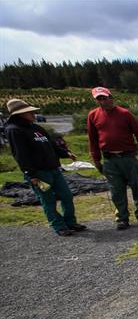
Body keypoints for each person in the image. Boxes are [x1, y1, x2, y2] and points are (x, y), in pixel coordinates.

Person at [4, 98, 86, 236]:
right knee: (48, 200)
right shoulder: (14, 130)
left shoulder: (37, 128)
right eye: (29, 112)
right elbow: (20, 155)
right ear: (19, 114)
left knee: (66, 195)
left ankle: (70, 222)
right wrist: (31, 174)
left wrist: (65, 153)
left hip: (54, 169)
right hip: (39, 173)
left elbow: (52, 145)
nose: (33, 114)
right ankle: (59, 226)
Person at [87, 86, 138, 230]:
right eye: (99, 99)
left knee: (137, 188)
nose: (103, 101)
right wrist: (96, 159)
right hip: (110, 159)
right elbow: (92, 139)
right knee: (116, 190)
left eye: (104, 98)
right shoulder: (93, 115)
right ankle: (122, 218)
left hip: (128, 157)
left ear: (111, 97)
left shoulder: (125, 114)